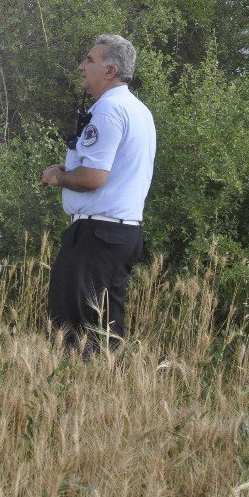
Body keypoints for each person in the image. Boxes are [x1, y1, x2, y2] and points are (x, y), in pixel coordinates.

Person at [40, 34, 156, 354]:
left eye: (89, 61)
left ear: (110, 70)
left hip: (97, 234)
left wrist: (58, 177)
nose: (81, 66)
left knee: (74, 327)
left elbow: (93, 177)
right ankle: (105, 393)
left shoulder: (106, 110)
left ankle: (77, 393)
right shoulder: (139, 110)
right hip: (122, 232)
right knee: (105, 329)